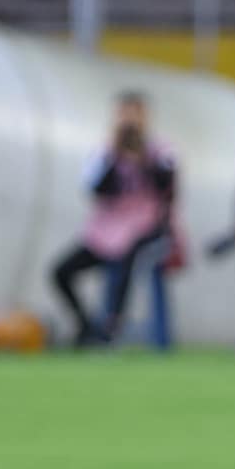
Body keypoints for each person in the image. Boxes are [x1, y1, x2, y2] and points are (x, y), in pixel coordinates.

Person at [51, 91, 178, 347]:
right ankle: (86, 326)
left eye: (136, 114)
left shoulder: (160, 150)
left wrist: (142, 158)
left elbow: (168, 184)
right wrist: (114, 154)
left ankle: (112, 329)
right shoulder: (105, 151)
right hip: (105, 230)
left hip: (146, 229)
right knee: (60, 271)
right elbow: (93, 188)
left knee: (124, 262)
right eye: (125, 114)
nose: (130, 122)